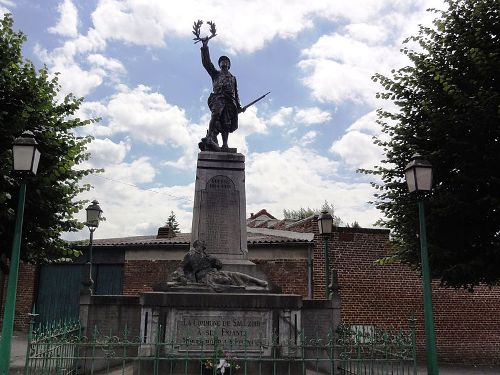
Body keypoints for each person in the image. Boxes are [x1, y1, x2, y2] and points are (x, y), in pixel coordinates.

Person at [200, 37, 245, 151]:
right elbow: (206, 63)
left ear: (229, 65)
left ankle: (225, 144)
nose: (224, 62)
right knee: (215, 114)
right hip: (218, 98)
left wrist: (239, 106)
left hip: (230, 101)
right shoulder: (215, 74)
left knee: (226, 123)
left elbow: (236, 92)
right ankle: (210, 136)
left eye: (226, 61)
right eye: (221, 61)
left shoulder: (233, 78)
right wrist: (205, 47)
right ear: (219, 64)